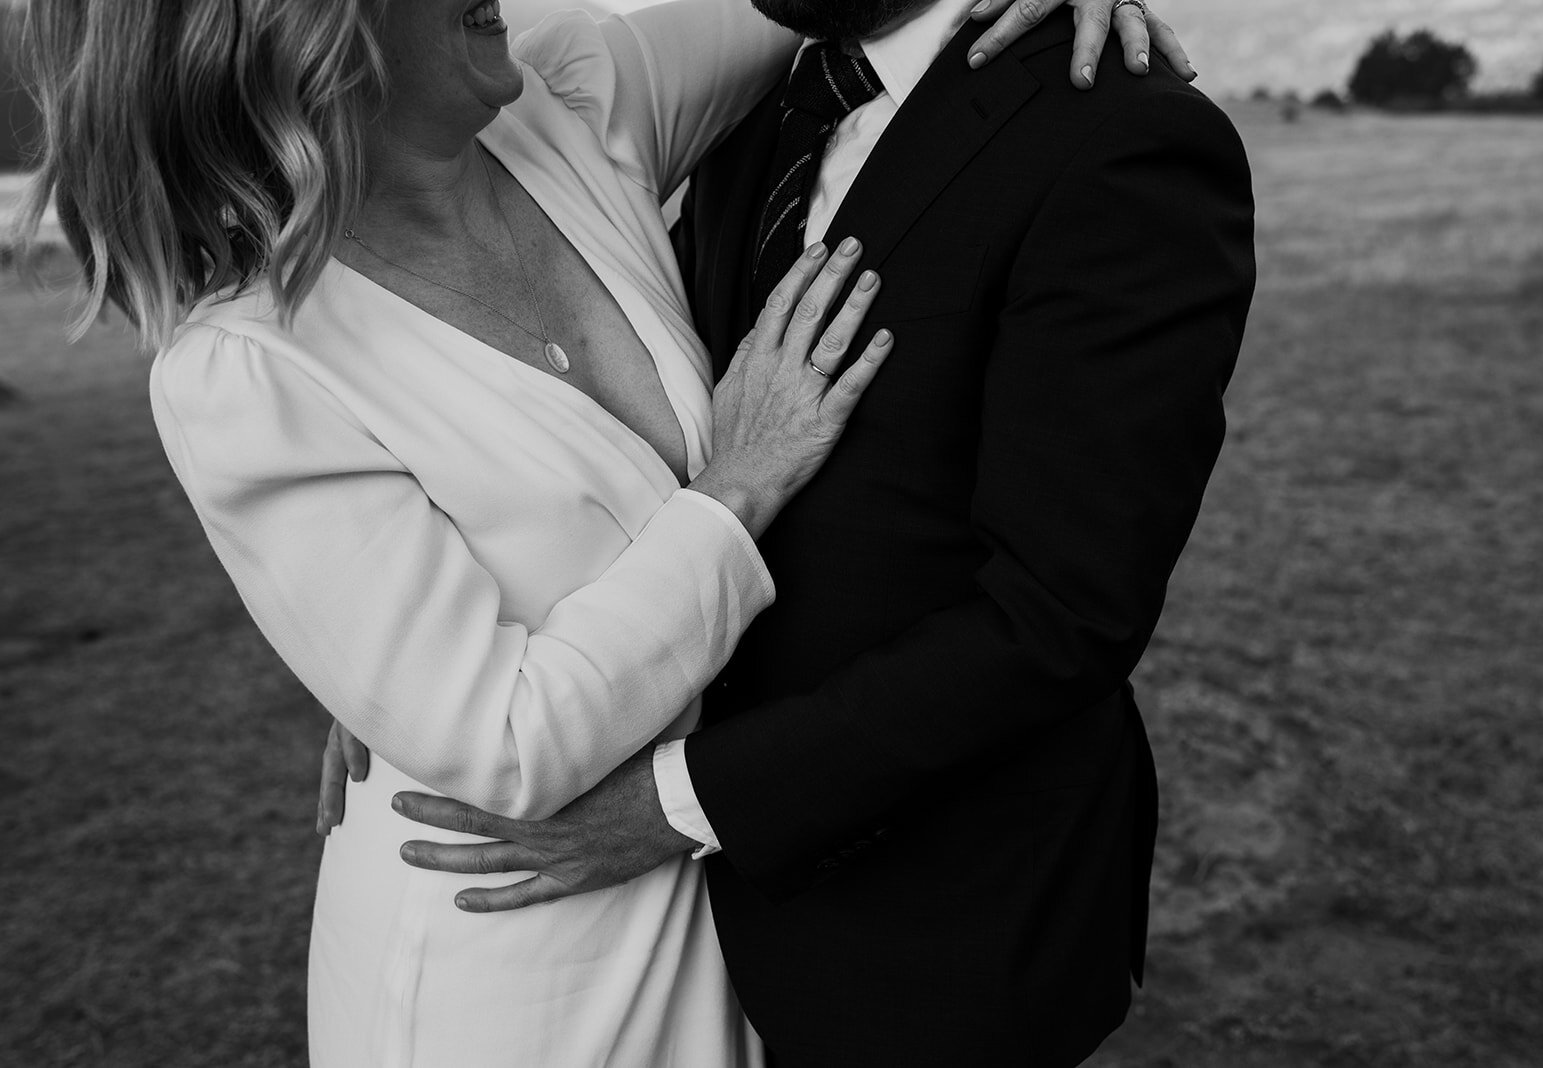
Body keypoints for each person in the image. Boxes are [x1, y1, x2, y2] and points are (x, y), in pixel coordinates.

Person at [19, 0, 1178, 1063]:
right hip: (518, 933)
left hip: (721, 887)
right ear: (304, 29)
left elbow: (834, 0)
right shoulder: (248, 367)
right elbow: (506, 743)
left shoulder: (562, 101)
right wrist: (734, 487)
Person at [358, 0, 1256, 1064]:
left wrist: (678, 803)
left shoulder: (1119, 138)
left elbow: (1059, 614)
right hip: (679, 946)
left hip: (931, 926)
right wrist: (392, 643)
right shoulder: (762, 109)